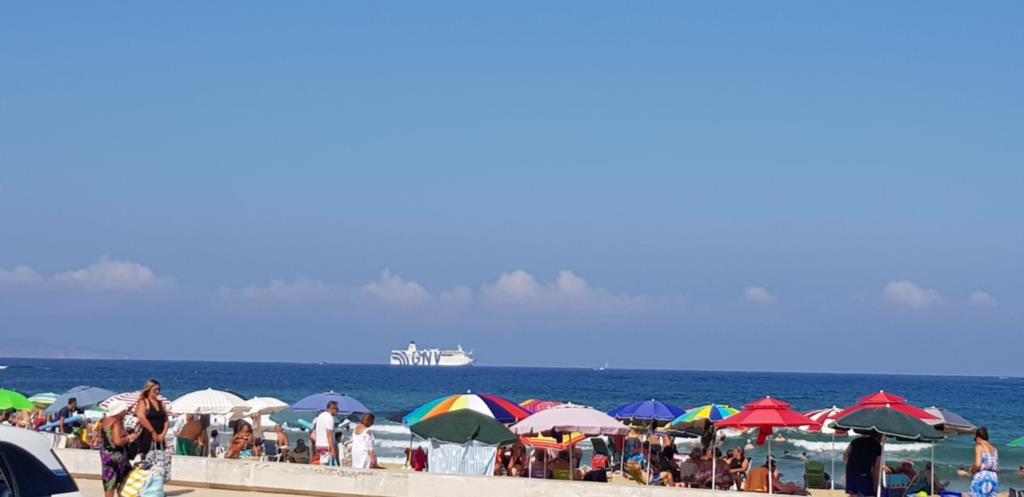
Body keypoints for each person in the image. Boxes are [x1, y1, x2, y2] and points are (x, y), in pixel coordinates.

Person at [98, 401, 140, 497]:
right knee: (127, 477)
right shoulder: (116, 422)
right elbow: (117, 441)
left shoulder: (105, 420)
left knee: (109, 480)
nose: (125, 412)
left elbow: (105, 438)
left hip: (106, 455)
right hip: (117, 455)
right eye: (124, 410)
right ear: (119, 411)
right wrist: (130, 437)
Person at [135, 380, 168, 459]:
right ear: (148, 390)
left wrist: (163, 434)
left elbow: (166, 420)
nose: (157, 392)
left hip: (160, 435)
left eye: (159, 389)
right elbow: (141, 417)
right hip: (147, 435)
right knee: (147, 459)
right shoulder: (143, 402)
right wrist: (153, 432)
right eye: (155, 389)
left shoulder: (161, 403)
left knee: (160, 458)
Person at [970, 427, 998, 497]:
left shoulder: (979, 447)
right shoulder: (994, 449)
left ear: (978, 437)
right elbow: (997, 466)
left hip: (982, 477)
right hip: (993, 477)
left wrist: (972, 469)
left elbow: (978, 464)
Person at [312, 401, 339, 466]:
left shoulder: (320, 416)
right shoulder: (330, 418)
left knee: (322, 462)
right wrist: (333, 449)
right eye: (337, 409)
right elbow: (329, 434)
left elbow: (315, 431)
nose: (338, 411)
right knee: (324, 464)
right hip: (326, 445)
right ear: (332, 409)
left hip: (319, 444)